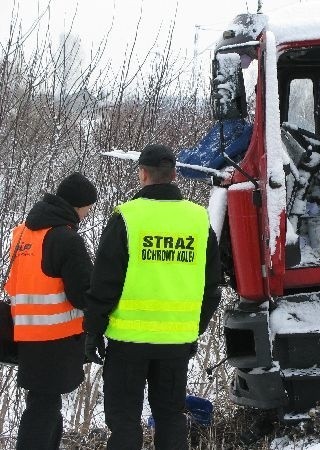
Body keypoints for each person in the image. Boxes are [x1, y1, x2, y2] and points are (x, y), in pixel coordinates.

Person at [84, 144, 221, 450]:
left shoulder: (128, 217)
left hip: (127, 343)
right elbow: (213, 285)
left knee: (124, 421)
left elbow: (105, 282)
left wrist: (92, 331)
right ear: (174, 176)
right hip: (175, 344)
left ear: (142, 174)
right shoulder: (198, 220)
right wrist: (192, 327)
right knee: (171, 416)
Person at [4, 172, 97, 450]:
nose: (88, 215)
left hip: (25, 334)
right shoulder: (66, 239)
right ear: (78, 206)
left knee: (45, 403)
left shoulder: (21, 233)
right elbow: (83, 294)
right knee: (42, 410)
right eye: (88, 209)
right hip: (56, 338)